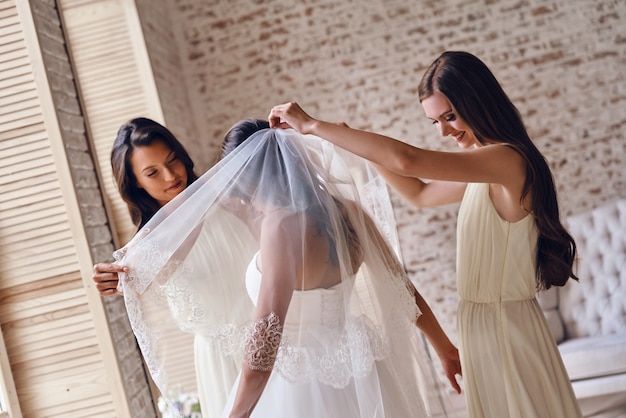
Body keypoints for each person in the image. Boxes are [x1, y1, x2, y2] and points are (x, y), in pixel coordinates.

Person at [268, 51, 583, 418]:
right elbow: (417, 192)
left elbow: (408, 160)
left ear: (479, 103)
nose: (445, 131)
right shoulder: (485, 171)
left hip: (507, 330)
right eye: (435, 121)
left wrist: (313, 125)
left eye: (450, 116)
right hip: (483, 328)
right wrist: (353, 143)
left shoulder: (509, 161)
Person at [112, 118, 462, 417]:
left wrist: (237, 412)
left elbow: (266, 335)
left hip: (300, 379)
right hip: (362, 362)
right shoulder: (349, 210)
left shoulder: (279, 227)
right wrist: (445, 348)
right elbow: (403, 289)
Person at [91, 117, 257, 418]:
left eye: (173, 161)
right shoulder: (148, 245)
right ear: (136, 183)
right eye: (152, 172)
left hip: (273, 337)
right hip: (222, 363)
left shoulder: (229, 197)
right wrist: (111, 280)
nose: (170, 176)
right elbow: (133, 277)